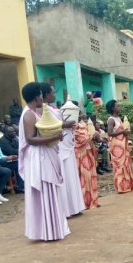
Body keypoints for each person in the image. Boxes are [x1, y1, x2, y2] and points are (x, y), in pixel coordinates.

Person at [18, 82, 70, 241]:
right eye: (41, 95)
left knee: (50, 191)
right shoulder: (29, 114)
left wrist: (54, 135)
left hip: (44, 153)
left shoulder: (35, 111)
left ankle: (52, 228)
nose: (43, 98)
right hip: (37, 157)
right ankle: (47, 230)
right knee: (45, 190)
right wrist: (54, 137)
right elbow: (30, 139)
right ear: (36, 97)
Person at [39, 83, 85, 217]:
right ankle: (65, 210)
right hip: (58, 146)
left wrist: (70, 122)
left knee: (71, 176)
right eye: (53, 92)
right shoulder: (43, 109)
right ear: (46, 94)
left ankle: (74, 207)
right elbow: (49, 126)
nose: (55, 94)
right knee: (63, 177)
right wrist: (66, 124)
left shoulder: (53, 108)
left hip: (67, 144)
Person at [106, 99, 133, 194]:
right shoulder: (111, 120)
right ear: (113, 108)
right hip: (117, 147)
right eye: (117, 106)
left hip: (122, 145)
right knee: (120, 165)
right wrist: (122, 131)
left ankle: (127, 185)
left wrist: (125, 132)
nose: (119, 107)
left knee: (125, 164)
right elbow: (110, 133)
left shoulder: (118, 118)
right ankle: (121, 187)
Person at [74, 114, 100, 209]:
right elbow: (81, 141)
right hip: (81, 155)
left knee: (92, 177)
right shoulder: (74, 128)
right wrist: (92, 136)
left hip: (89, 153)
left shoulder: (85, 125)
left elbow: (94, 139)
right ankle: (85, 202)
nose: (82, 116)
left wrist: (95, 136)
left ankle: (93, 200)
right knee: (85, 178)